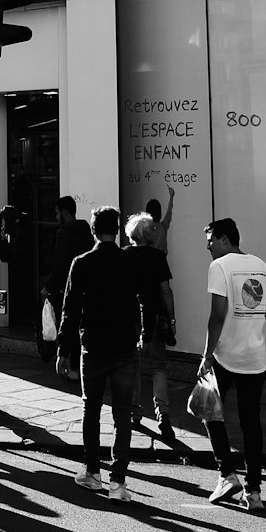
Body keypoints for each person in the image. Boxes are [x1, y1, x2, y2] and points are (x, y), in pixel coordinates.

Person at [56, 206, 146, 503]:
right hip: (123, 347)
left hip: (92, 346)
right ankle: (118, 481)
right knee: (122, 414)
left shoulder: (81, 263)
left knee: (91, 410)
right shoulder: (130, 262)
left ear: (93, 230)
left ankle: (92, 473)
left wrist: (63, 351)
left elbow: (70, 311)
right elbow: (141, 301)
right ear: (117, 230)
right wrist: (138, 332)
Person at [198, 218, 266, 510]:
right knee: (251, 423)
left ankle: (227, 475)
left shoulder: (219, 267)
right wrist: (249, 312)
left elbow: (217, 316)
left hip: (225, 357)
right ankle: (254, 492)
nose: (208, 247)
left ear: (224, 239)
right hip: (256, 359)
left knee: (210, 412)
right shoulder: (260, 264)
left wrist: (206, 355)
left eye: (210, 240)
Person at [124, 210, 180, 452]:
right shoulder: (157, 256)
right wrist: (172, 317)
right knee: (158, 366)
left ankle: (136, 413)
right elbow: (166, 290)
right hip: (155, 317)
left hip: (131, 319)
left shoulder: (124, 256)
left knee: (133, 365)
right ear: (149, 234)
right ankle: (162, 413)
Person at [41, 196, 93, 328]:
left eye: (57, 213)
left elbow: (61, 265)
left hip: (67, 289)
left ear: (64, 212)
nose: (57, 217)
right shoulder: (86, 232)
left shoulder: (64, 233)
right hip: (86, 288)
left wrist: (48, 287)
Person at [146, 184, 176, 255]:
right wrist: (171, 197)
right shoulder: (163, 227)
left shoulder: (145, 230)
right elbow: (169, 212)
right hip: (162, 261)